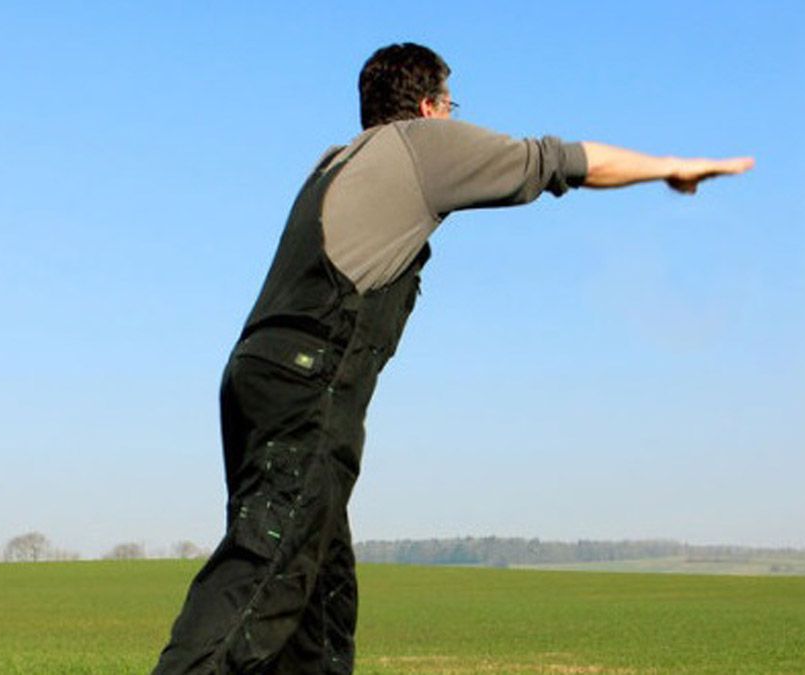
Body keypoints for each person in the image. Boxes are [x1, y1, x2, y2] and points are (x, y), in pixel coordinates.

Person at [153, 42, 753, 674]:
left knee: (321, 601)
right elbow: (562, 163)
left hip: (258, 376)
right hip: (310, 382)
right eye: (451, 104)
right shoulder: (422, 145)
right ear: (429, 105)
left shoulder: (335, 161)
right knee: (266, 575)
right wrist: (671, 167)